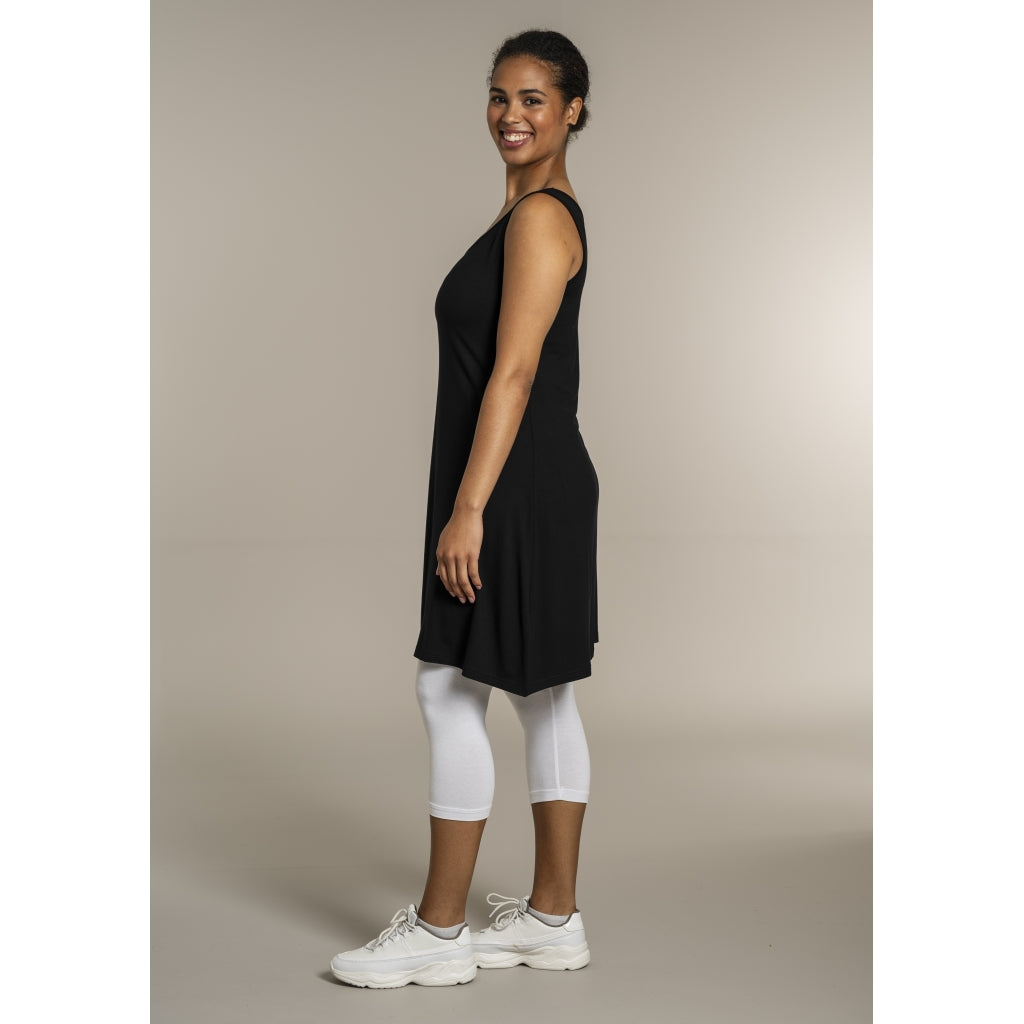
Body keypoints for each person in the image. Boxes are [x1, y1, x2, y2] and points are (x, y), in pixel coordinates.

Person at [331, 28, 599, 989]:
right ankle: (553, 919)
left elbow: (514, 373)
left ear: (573, 110)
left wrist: (468, 507)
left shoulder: (540, 220)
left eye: (533, 98)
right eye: (498, 96)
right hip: (541, 481)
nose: (510, 115)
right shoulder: (527, 213)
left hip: (512, 487)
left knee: (447, 688)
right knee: (543, 692)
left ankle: (441, 933)